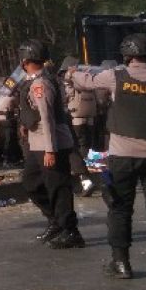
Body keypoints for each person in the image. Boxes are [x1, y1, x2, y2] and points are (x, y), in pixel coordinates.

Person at [72, 33, 146, 279]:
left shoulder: (115, 76)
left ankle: (121, 264)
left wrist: (72, 71)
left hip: (121, 157)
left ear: (127, 54)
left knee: (119, 209)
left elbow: (83, 82)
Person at [17, 39, 83, 250]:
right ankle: (55, 221)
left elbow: (47, 119)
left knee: (58, 188)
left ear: (25, 61)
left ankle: (70, 231)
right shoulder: (34, 81)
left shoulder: (40, 84)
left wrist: (50, 149)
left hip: (50, 143)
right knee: (31, 183)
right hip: (38, 143)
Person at [59, 56, 97, 197]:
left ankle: (84, 180)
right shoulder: (89, 79)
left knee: (73, 151)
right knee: (83, 148)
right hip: (90, 119)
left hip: (75, 119)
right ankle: (84, 178)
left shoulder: (69, 82)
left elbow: (66, 96)